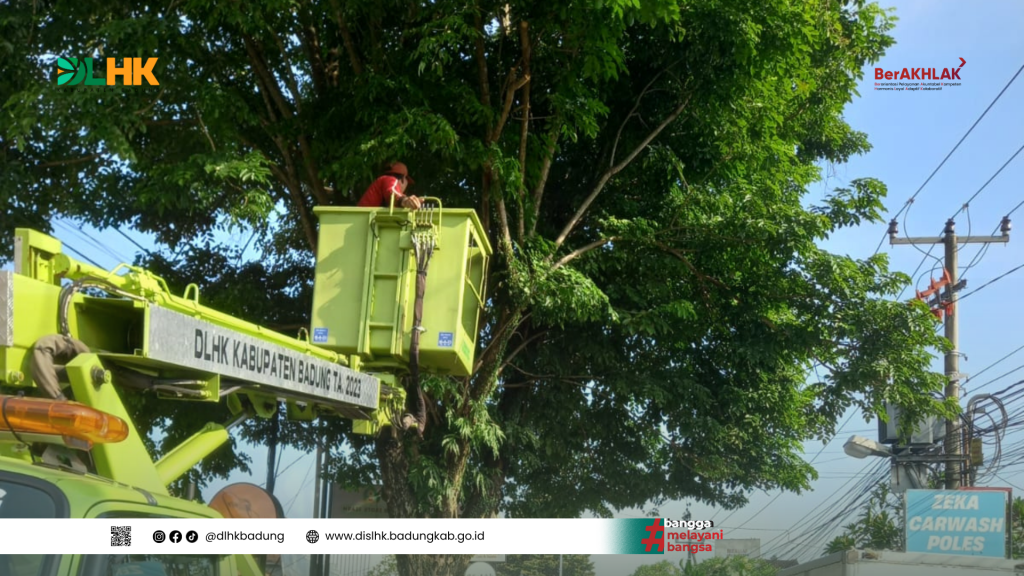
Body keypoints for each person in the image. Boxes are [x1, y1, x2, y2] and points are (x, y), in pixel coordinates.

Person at [357, 162, 423, 209]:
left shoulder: (381, 182)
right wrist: (404, 200)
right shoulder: (390, 179)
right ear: (403, 179)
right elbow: (391, 191)